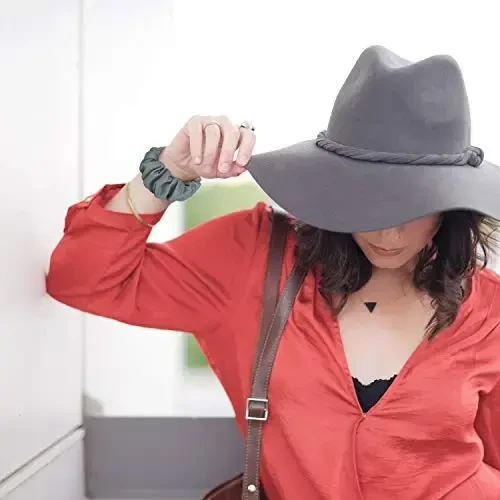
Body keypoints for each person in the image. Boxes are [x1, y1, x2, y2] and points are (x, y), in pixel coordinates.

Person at [46, 45, 500, 499]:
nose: (390, 231)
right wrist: (168, 171)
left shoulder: (491, 308)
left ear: (453, 202)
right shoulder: (254, 258)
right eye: (370, 199)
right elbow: (84, 279)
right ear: (336, 182)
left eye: (417, 205)